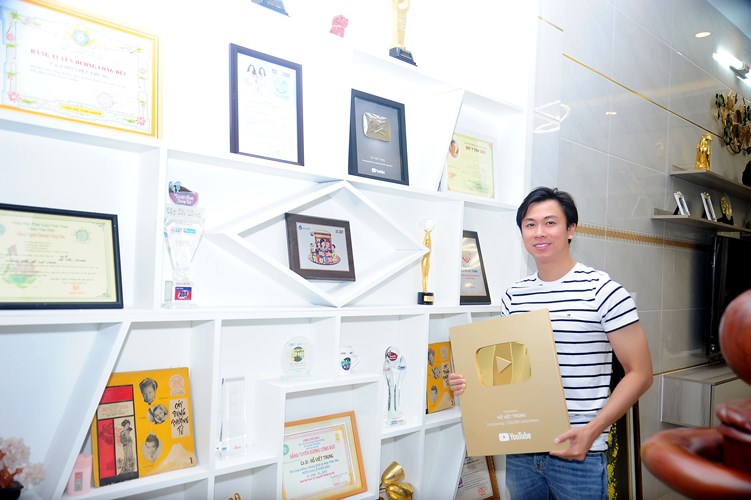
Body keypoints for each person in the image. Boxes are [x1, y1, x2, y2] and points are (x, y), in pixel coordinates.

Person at [448, 186, 653, 499]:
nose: (539, 232)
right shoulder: (514, 296)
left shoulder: (603, 290)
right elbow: (507, 372)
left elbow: (640, 373)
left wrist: (592, 431)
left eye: (550, 222)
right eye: (530, 224)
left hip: (579, 453)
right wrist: (469, 381)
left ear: (571, 229)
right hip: (521, 452)